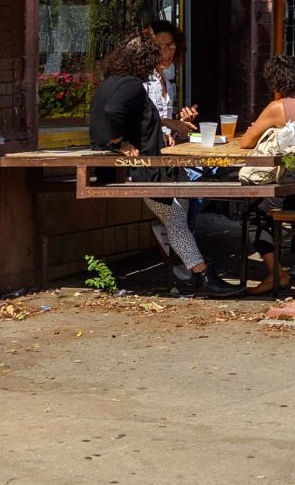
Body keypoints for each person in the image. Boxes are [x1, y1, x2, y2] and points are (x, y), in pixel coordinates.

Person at [88, 30, 207, 292]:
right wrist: (120, 143)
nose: (158, 62)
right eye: (154, 55)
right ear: (143, 58)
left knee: (183, 189)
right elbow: (110, 114)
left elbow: (117, 118)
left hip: (146, 166)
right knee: (175, 216)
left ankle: (184, 272)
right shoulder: (131, 85)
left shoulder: (115, 80)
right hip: (140, 170)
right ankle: (201, 276)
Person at [146, 19, 200, 142]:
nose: (168, 51)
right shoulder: (142, 82)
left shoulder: (168, 84)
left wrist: (181, 124)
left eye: (171, 45)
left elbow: (167, 133)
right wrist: (168, 123)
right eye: (161, 46)